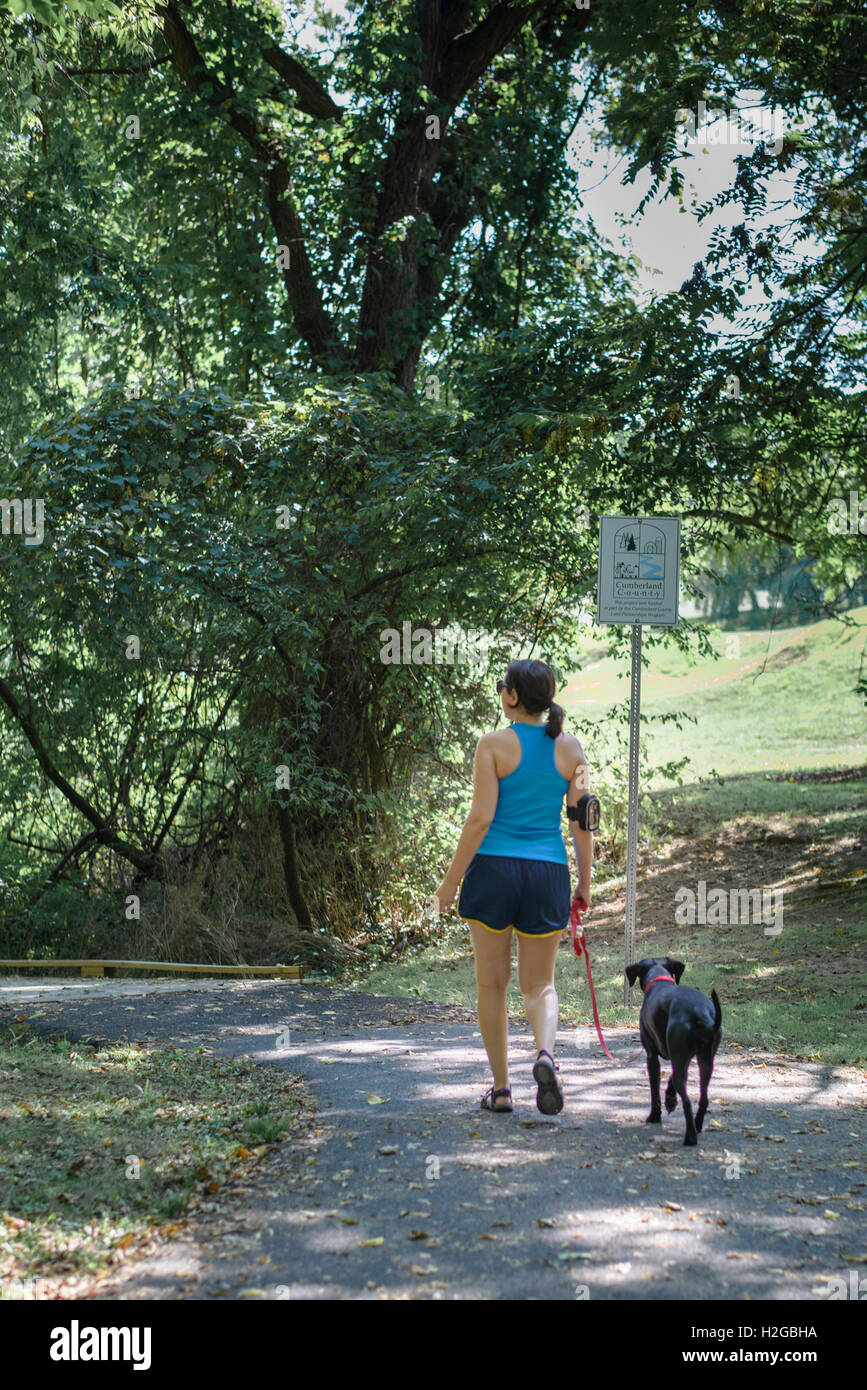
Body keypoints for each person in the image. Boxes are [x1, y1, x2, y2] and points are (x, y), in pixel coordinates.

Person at [435, 659, 593, 1115]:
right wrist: (585, 882)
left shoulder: (492, 746)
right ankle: (546, 1054)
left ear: (513, 697)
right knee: (540, 984)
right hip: (547, 874)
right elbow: (583, 823)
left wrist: (449, 885)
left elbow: (481, 819)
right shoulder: (572, 751)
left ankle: (502, 1089)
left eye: (503, 686)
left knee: (492, 984)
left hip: (494, 872)